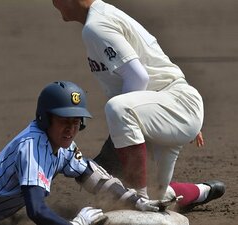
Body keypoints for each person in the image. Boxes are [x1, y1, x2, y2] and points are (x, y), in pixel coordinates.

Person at [52, 0, 225, 211]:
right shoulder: (102, 16)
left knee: (117, 109)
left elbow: (138, 77)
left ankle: (140, 200)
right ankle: (203, 191)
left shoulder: (96, 26)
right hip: (167, 108)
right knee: (159, 192)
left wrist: (118, 139)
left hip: (173, 104)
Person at [0, 81, 174, 225]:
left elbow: (97, 180)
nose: (71, 128)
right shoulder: (32, 147)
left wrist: (136, 201)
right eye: (64, 121)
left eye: (76, 121)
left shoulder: (63, 147)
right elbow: (37, 210)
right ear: (45, 118)